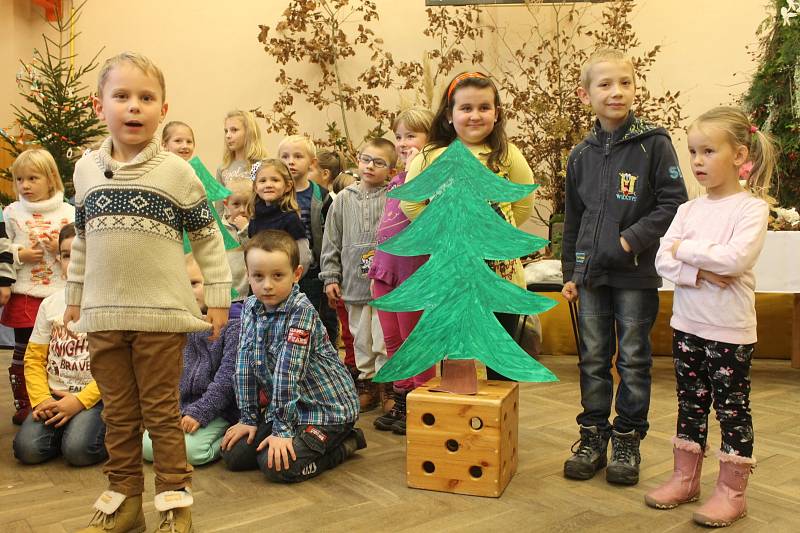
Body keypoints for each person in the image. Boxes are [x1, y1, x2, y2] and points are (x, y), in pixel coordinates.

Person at [65, 51, 231, 533]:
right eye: (122, 96)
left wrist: (218, 295)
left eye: (146, 98)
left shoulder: (176, 172)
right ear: (100, 106)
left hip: (160, 316)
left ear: (163, 108)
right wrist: (75, 293)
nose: (133, 107)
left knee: (161, 414)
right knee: (117, 414)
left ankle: (175, 502)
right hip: (103, 315)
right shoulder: (85, 170)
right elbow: (82, 239)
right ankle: (124, 500)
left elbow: (207, 237)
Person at [560, 49, 687, 486]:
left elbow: (674, 204)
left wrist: (628, 239)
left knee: (633, 359)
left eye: (625, 83)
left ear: (635, 87)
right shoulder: (580, 155)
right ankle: (593, 435)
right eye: (605, 84)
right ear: (585, 94)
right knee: (592, 357)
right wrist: (571, 274)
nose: (617, 92)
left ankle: (628, 438)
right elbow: (574, 219)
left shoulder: (655, 143)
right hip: (591, 278)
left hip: (635, 275)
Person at [646, 107, 774, 527]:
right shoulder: (688, 210)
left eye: (708, 151)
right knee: (690, 405)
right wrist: (697, 267)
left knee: (732, 408)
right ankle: (686, 479)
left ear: (739, 155)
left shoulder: (751, 209)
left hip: (729, 331)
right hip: (687, 326)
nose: (697, 161)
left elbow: (735, 259)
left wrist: (685, 251)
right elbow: (663, 258)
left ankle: (731, 491)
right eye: (692, 152)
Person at [400, 72, 535, 381]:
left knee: (503, 364)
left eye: (484, 107)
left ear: (496, 112)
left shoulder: (507, 154)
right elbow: (411, 203)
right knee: (457, 365)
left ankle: (500, 428)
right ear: (449, 114)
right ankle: (461, 425)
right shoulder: (431, 155)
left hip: (503, 280)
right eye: (466, 108)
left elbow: (522, 203)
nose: (475, 115)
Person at [220, 229, 365, 482]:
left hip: (327, 411)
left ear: (296, 274)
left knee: (276, 466)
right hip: (290, 408)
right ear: (248, 275)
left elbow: (287, 374)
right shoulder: (250, 308)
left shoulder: (301, 311)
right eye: (258, 276)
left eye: (277, 276)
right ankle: (293, 436)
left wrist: (282, 431)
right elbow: (243, 365)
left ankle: (347, 441)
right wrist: (248, 418)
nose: (267, 285)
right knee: (234, 455)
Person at [13, 223, 106, 466]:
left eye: (83, 255)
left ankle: (107, 430)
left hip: (96, 397)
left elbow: (117, 368)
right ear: (59, 261)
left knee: (78, 451)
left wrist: (79, 402)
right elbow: (34, 358)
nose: (74, 262)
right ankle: (68, 427)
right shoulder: (50, 304)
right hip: (54, 394)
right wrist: (42, 399)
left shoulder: (110, 305)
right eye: (67, 256)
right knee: (27, 450)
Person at [370, 107, 435, 434]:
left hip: (414, 275)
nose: (403, 142)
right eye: (399, 136)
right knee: (393, 341)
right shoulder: (396, 180)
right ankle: (402, 399)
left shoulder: (431, 181)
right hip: (385, 272)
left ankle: (424, 406)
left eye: (411, 135)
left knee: (416, 342)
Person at [143, 255, 241, 466]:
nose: (187, 291)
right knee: (149, 448)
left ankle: (227, 439)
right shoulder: (178, 323)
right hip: (183, 407)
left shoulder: (234, 326)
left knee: (194, 453)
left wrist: (200, 412)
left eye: (194, 284)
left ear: (217, 287)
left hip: (219, 409)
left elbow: (227, 380)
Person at [2, 148, 75, 425]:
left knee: (54, 348)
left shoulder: (68, 212)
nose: (25, 186)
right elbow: (3, 247)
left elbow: (80, 250)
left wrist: (57, 251)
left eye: (33, 178)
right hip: (25, 293)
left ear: (51, 178)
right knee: (24, 351)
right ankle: (26, 402)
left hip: (59, 293)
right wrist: (21, 254)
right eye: (20, 180)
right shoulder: (12, 213)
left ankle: (55, 396)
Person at [321, 138, 394, 411]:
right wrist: (330, 277)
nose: (370, 166)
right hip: (353, 285)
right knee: (360, 338)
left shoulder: (394, 197)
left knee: (384, 337)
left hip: (385, 286)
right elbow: (331, 241)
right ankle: (368, 383)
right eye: (365, 159)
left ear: (391, 168)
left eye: (379, 162)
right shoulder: (342, 200)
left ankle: (389, 386)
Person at [277, 135, 338, 345]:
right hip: (281, 270)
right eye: (284, 157)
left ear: (312, 162)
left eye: (297, 156)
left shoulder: (321, 196)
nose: (290, 161)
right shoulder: (274, 194)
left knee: (314, 317)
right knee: (286, 320)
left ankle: (319, 357)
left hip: (313, 272)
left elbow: (331, 233)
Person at [247, 159, 311, 273]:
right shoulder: (254, 218)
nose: (268, 185)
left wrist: (290, 279)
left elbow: (303, 257)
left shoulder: (291, 219)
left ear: (288, 186)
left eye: (275, 180)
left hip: (285, 284)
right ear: (256, 187)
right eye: (262, 181)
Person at [221, 177, 254, 300]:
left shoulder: (254, 227)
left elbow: (254, 249)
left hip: (249, 292)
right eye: (236, 204)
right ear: (226, 204)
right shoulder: (220, 229)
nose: (242, 210)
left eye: (248, 204)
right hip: (228, 293)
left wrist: (245, 229)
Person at [216, 110, 267, 187]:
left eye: (234, 130)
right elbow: (218, 199)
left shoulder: (263, 166)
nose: (228, 135)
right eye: (226, 131)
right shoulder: (222, 169)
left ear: (249, 133)